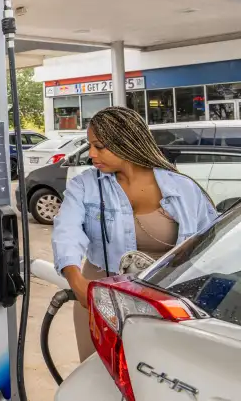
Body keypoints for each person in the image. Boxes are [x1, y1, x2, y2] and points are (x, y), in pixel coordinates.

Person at [52, 106, 217, 362]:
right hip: (100, 297)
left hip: (165, 302)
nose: (91, 154)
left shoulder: (183, 189)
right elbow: (67, 232)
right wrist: (76, 282)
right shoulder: (84, 186)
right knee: (97, 378)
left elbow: (212, 244)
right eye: (90, 146)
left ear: (125, 142)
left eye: (100, 146)